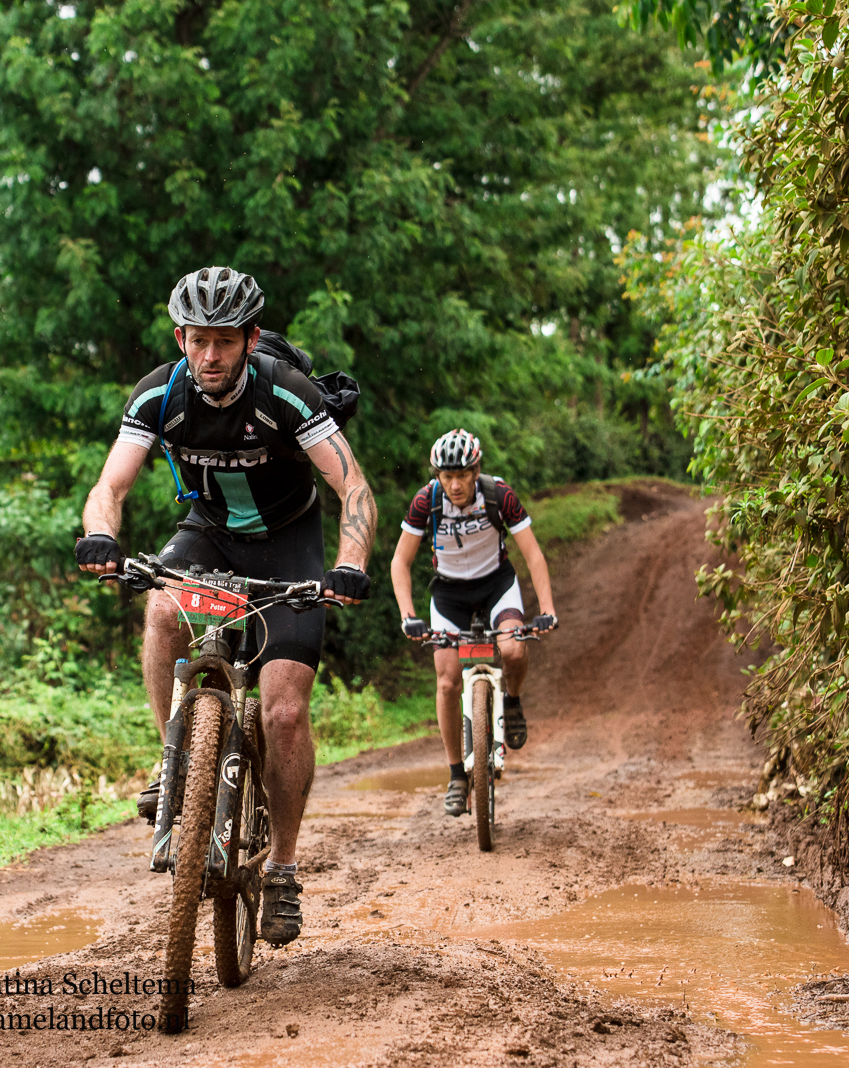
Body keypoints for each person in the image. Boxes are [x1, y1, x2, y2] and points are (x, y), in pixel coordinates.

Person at [75, 266, 378, 947]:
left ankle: (285, 871)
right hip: (206, 535)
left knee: (285, 711)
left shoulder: (286, 394)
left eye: (223, 341)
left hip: (290, 547)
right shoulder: (161, 392)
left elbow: (353, 488)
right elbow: (111, 483)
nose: (209, 356)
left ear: (249, 338)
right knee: (160, 610)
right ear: (181, 337)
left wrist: (350, 563)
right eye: (196, 340)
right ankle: (173, 759)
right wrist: (100, 534)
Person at [389, 429, 558, 816]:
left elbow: (532, 554)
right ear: (437, 476)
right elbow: (400, 561)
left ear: (475, 471)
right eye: (446, 476)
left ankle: (512, 703)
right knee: (447, 679)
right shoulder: (426, 501)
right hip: (449, 595)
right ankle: (456, 775)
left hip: (496, 585)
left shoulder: (500, 496)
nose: (454, 484)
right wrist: (408, 616)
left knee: (514, 649)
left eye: (462, 475)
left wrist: (546, 608)